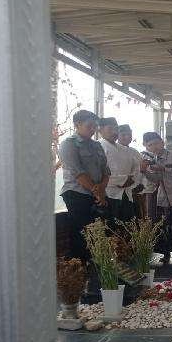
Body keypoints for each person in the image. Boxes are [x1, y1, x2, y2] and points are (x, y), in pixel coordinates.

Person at [58, 109, 110, 260]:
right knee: (82, 233)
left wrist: (101, 189)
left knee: (99, 232)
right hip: (77, 194)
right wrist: (97, 192)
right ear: (77, 125)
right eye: (89, 126)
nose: (93, 129)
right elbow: (78, 173)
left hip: (98, 194)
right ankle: (81, 265)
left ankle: (98, 264)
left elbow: (106, 171)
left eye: (95, 126)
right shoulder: (68, 144)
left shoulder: (97, 145)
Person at [142, 132, 172, 264]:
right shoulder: (151, 159)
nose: (154, 147)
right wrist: (145, 171)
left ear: (162, 142)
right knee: (163, 227)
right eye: (150, 145)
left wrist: (163, 168)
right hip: (162, 198)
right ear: (146, 147)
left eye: (156, 143)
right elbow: (156, 179)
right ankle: (166, 254)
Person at [98, 118, 139, 222]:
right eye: (110, 129)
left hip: (126, 193)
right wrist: (122, 180)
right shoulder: (98, 147)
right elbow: (98, 173)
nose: (114, 132)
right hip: (108, 194)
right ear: (100, 130)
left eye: (116, 129)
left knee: (128, 226)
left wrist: (132, 179)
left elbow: (136, 167)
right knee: (111, 227)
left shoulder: (124, 149)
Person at [117, 124, 146, 218]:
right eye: (123, 135)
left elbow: (141, 171)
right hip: (117, 191)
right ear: (117, 135)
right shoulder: (113, 150)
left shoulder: (135, 152)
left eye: (129, 134)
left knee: (136, 219)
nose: (127, 137)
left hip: (135, 191)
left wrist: (141, 184)